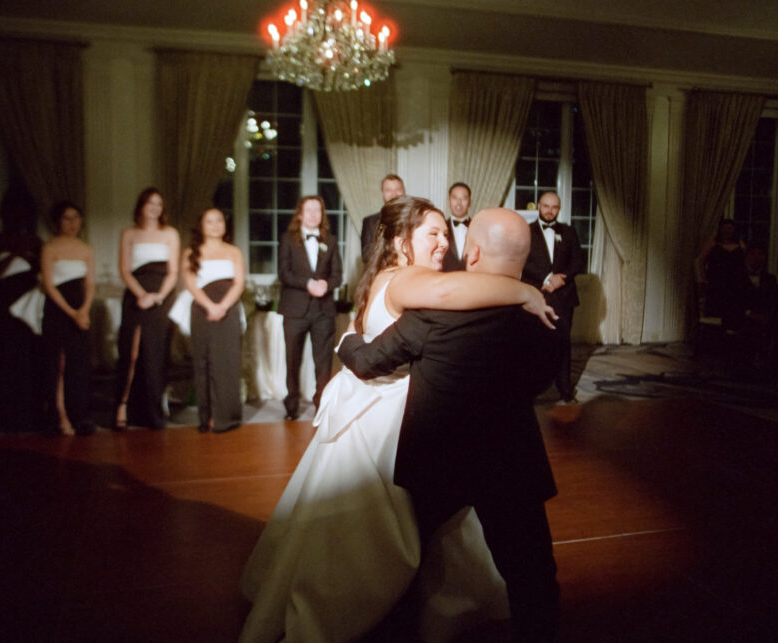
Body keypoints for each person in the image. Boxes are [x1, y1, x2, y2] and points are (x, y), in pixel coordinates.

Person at [239, 196, 556, 643]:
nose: (445, 244)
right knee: (395, 545)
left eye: (447, 234)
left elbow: (373, 347)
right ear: (399, 241)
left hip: (405, 423)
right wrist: (525, 289)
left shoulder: (392, 282)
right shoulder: (419, 283)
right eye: (433, 233)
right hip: (398, 423)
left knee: (397, 539)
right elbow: (448, 296)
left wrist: (347, 342)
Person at [340, 207, 562, 642]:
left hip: (438, 459)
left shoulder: (431, 311)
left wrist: (348, 337)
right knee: (533, 578)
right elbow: (539, 380)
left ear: (472, 252)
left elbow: (366, 363)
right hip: (511, 461)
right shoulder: (542, 317)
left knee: (402, 565)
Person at [114, 188, 180, 430]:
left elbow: (173, 271)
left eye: (159, 204)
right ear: (141, 206)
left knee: (156, 353)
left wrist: (158, 296)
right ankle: (123, 406)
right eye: (150, 203)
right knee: (131, 351)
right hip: (136, 295)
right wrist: (141, 294)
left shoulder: (170, 233)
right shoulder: (129, 233)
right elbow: (124, 270)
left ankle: (154, 412)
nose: (154, 208)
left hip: (161, 295)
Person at [0, 189, 44, 433]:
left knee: (31, 360)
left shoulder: (36, 242)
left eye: (24, 213)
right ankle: (9, 414)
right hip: (3, 305)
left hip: (29, 304)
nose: (19, 218)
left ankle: (34, 413)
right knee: (5, 361)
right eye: (14, 213)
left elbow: (45, 271)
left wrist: (33, 260)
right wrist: (14, 256)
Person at [278, 195, 343, 420]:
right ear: (300, 214)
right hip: (294, 310)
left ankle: (321, 406)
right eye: (309, 210)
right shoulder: (287, 239)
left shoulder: (331, 240)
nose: (314, 214)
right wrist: (307, 284)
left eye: (318, 210)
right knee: (292, 360)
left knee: (323, 362)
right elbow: (284, 273)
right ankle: (291, 406)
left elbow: (337, 275)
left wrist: (327, 284)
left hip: (323, 311)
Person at [180, 208, 245, 433]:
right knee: (204, 362)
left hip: (228, 310)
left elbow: (239, 283)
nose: (216, 224)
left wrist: (223, 307)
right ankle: (206, 417)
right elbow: (190, 284)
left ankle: (226, 417)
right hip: (202, 310)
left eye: (219, 220)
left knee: (227, 362)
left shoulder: (234, 251)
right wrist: (210, 306)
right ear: (201, 225)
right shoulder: (191, 252)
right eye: (210, 221)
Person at [40, 201, 97, 436]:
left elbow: (90, 283)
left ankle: (79, 415)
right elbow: (49, 285)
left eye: (76, 218)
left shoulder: (86, 249)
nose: (72, 223)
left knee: (79, 363)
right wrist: (71, 312)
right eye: (67, 218)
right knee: (58, 364)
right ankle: (58, 415)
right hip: (57, 310)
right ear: (57, 222)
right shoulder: (50, 247)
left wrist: (83, 310)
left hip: (80, 308)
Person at [522, 190, 583, 403]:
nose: (550, 210)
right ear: (538, 206)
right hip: (536, 294)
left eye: (554, 207)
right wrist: (546, 278)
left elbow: (578, 262)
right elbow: (522, 262)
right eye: (546, 206)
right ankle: (531, 390)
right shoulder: (525, 231)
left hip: (564, 297)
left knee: (562, 343)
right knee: (533, 344)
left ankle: (565, 391)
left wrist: (562, 279)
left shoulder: (568, 232)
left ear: (559, 209)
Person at [695, 218, 746, 327]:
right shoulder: (713, 243)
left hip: (735, 284)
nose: (727, 231)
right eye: (724, 228)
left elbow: (745, 262)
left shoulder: (740, 244)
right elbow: (701, 261)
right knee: (715, 313)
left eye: (729, 228)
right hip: (716, 284)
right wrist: (703, 279)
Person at [361, 173, 406, 264]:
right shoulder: (370, 222)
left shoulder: (414, 219)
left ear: (404, 192)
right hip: (381, 273)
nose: (394, 194)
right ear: (382, 193)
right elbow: (366, 255)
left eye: (398, 189)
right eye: (388, 190)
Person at [441, 181, 472, 271]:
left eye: (463, 198)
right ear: (448, 201)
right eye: (455, 198)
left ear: (469, 202)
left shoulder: (479, 229)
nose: (459, 203)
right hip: (446, 282)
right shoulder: (440, 228)